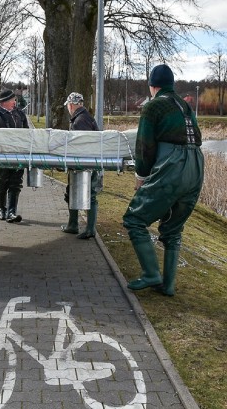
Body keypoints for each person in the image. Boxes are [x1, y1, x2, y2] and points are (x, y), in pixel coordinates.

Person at [122, 64, 204, 296]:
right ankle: (167, 285)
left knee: (135, 219)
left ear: (153, 86)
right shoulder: (186, 105)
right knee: (173, 228)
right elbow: (196, 138)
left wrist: (141, 176)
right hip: (196, 164)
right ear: (172, 84)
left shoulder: (153, 106)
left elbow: (145, 146)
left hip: (172, 165)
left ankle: (151, 274)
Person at [60, 92, 102, 240]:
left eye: (68, 106)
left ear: (71, 105)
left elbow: (80, 147)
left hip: (84, 165)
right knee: (78, 193)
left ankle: (85, 228)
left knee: (86, 194)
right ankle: (75, 225)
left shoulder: (79, 121)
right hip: (92, 163)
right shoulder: (86, 117)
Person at [0, 88, 30, 222]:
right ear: (3, 102)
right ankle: (2, 209)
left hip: (18, 155)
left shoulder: (19, 114)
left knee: (16, 183)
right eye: (12, 100)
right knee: (1, 182)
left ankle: (12, 211)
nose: (14, 102)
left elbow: (26, 132)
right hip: (1, 156)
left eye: (14, 100)